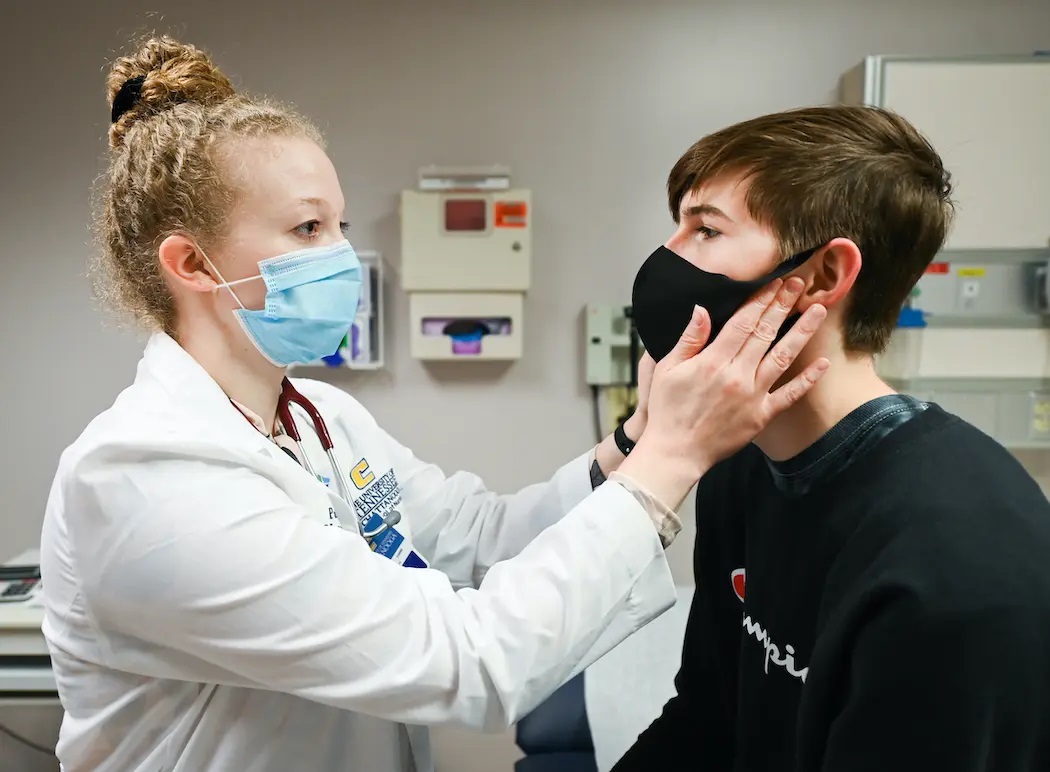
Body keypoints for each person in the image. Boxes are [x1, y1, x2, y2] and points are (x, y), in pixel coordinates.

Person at [38, 37, 831, 772]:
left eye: (339, 226)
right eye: (307, 228)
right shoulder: (146, 479)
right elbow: (467, 663)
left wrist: (634, 440)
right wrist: (672, 462)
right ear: (191, 263)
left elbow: (481, 540)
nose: (342, 256)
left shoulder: (317, 417)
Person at [612, 105, 1050, 771]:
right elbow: (709, 718)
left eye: (705, 230)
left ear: (821, 276)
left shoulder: (957, 561)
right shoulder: (744, 464)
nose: (666, 259)